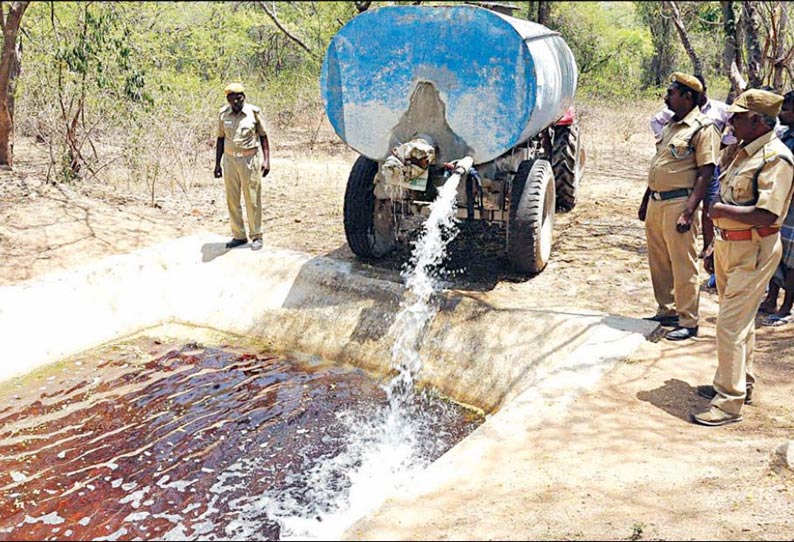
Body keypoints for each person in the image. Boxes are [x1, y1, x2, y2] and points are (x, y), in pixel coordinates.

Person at [693, 89, 794, 426]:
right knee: (739, 321)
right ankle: (740, 382)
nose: (731, 121)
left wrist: (722, 211)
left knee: (730, 324)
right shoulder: (742, 151)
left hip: (753, 249)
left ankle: (728, 402)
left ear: (756, 120)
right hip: (729, 245)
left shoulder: (775, 158)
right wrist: (714, 243)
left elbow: (768, 214)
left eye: (737, 116)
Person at [640, 72, 720, 340]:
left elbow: (706, 172)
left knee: (683, 264)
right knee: (659, 261)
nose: (666, 97)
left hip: (679, 203)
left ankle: (688, 319)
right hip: (657, 201)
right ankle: (667, 310)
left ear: (688, 96)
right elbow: (659, 163)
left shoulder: (702, 128)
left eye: (671, 92)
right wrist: (645, 200)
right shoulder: (671, 125)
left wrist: (688, 211)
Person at [214, 83, 271, 250]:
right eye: (233, 98)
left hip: (249, 160)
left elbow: (264, 136)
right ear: (228, 100)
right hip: (230, 161)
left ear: (244, 97)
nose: (237, 101)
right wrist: (217, 164)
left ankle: (257, 236)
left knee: (252, 199)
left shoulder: (253, 113)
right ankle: (239, 235)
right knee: (232, 199)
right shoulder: (223, 114)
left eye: (240, 97)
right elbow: (220, 139)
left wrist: (266, 160)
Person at [758, 90, 794, 326]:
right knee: (775, 253)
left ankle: (785, 307)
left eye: (787, 109)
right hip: (780, 205)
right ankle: (771, 298)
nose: (781, 113)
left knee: (791, 261)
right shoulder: (784, 136)